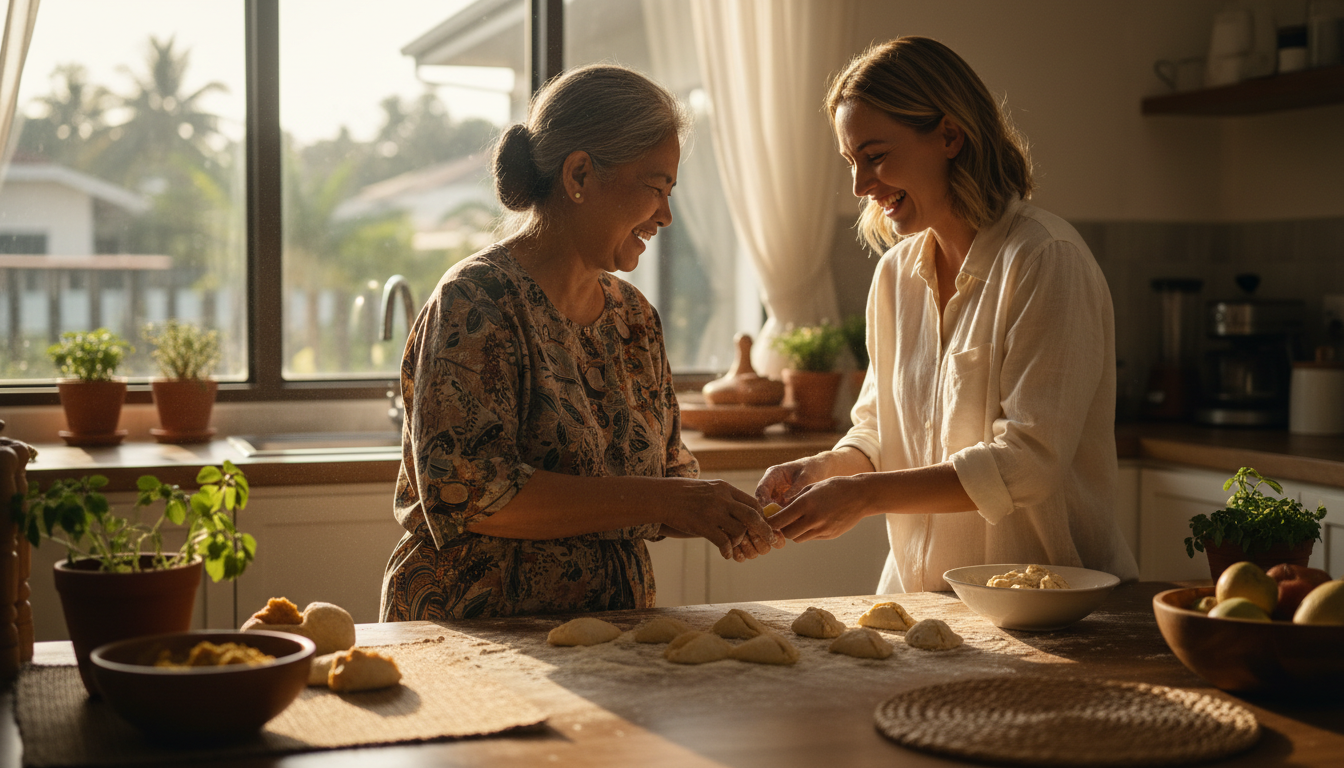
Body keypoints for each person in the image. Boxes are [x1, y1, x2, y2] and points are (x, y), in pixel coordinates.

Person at [380, 64, 775, 622]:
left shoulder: (635, 319)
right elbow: (471, 491)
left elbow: (664, 483)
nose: (665, 215)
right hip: (478, 632)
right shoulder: (477, 300)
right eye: (656, 188)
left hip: (615, 635)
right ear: (580, 175)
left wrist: (740, 511)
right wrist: (672, 501)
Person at [755, 37, 1139, 592]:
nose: (862, 186)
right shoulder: (894, 276)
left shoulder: (1045, 258)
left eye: (876, 156)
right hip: (923, 600)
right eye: (852, 162)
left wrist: (863, 496)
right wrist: (823, 470)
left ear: (951, 136)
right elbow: (877, 429)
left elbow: (1027, 462)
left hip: (1053, 611)